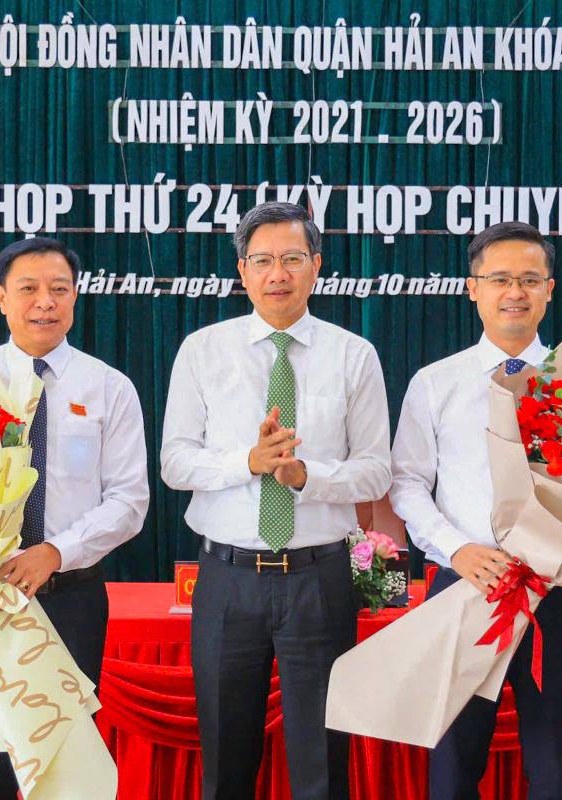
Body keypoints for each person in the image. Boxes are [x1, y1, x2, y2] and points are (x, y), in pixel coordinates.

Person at [160, 202, 392, 800]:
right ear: (242, 271)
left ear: (316, 266)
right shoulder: (203, 350)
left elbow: (374, 472)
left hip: (319, 579)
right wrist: (249, 462)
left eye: (292, 258)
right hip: (226, 578)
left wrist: (303, 476)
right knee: (226, 758)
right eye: (262, 260)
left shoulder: (353, 354)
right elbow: (175, 463)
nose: (277, 273)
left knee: (321, 762)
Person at [389, 221, 562, 800]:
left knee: (554, 768)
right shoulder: (435, 383)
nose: (515, 292)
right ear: (472, 288)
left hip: (555, 593)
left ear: (550, 289)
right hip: (464, 587)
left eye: (530, 279)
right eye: (499, 278)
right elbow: (407, 484)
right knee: (452, 763)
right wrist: (457, 548)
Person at [0, 237, 149, 800]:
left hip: (71, 596)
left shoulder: (109, 387)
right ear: (1, 298)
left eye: (59, 289)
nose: (45, 302)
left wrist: (55, 551)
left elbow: (129, 501)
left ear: (76, 297)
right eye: (29, 289)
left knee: (66, 758)